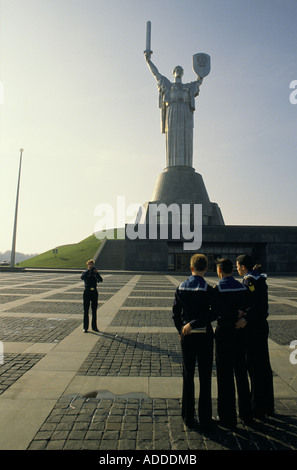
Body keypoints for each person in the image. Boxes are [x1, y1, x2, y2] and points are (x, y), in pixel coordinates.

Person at [172, 254, 215, 430]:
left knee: (188, 375)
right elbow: (213, 313)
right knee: (205, 376)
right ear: (205, 268)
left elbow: (175, 314)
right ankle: (205, 417)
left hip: (187, 336)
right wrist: (196, 323)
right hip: (205, 335)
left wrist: (182, 329)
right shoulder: (209, 289)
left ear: (191, 268)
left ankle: (187, 416)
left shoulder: (180, 287)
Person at [144, 51, 203, 168]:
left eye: (181, 70)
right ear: (173, 73)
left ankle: (185, 164)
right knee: (173, 137)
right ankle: (172, 165)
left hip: (185, 111)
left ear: (183, 73)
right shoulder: (168, 85)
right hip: (172, 111)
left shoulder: (188, 87)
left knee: (185, 136)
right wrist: (148, 61)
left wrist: (201, 74)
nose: (179, 71)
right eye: (177, 69)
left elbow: (199, 82)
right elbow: (157, 74)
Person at [212, 258, 252, 429]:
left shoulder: (217, 288)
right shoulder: (243, 287)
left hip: (224, 332)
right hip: (240, 331)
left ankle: (227, 416)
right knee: (242, 372)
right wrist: (242, 315)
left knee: (224, 374)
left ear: (220, 271)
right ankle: (246, 413)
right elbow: (251, 305)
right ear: (232, 270)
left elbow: (215, 312)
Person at [236, 254, 274, 419]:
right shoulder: (258, 278)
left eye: (238, 266)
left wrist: (245, 318)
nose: (237, 269)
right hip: (261, 327)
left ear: (243, 267)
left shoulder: (249, 281)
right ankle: (267, 405)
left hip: (253, 329)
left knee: (254, 367)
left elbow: (256, 305)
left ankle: (258, 407)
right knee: (264, 367)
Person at [81, 259, 103, 333]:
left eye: (92, 264)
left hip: (94, 292)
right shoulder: (85, 272)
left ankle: (94, 327)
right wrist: (88, 271)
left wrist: (96, 273)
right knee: (86, 310)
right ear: (87, 265)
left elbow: (101, 280)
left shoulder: (95, 273)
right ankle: (85, 327)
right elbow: (82, 278)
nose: (91, 266)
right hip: (87, 292)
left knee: (94, 310)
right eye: (89, 264)